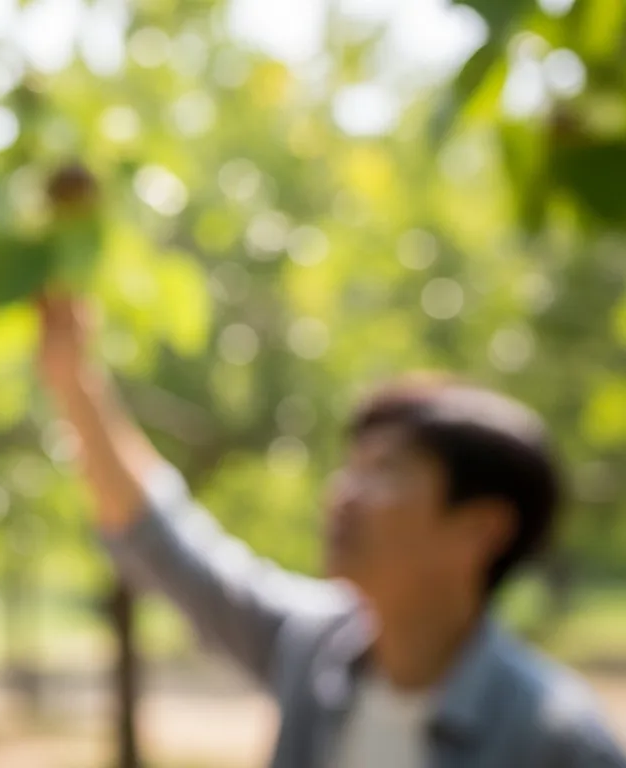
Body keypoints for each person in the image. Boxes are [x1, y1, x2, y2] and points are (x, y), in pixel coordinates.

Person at [34, 292, 626, 767]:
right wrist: (71, 376)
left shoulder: (554, 739)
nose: (342, 493)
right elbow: (166, 546)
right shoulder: (313, 653)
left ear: (482, 528)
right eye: (352, 467)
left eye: (386, 472)